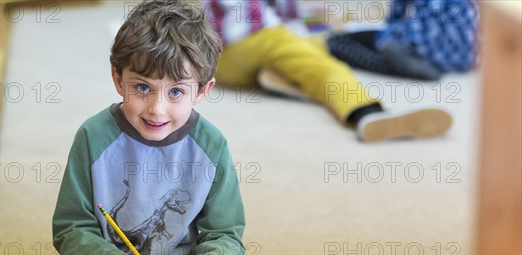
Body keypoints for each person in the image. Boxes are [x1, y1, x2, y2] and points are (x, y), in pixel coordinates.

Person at [12, 1, 274, 255]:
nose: (156, 107)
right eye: (141, 87)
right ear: (117, 79)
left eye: (176, 92)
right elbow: (70, 228)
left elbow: (225, 229)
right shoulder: (92, 137)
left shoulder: (212, 144)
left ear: (203, 91)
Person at [201, 0, 453, 142]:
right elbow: (277, 18)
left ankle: (279, 76)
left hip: (226, 60)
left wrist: (322, 21)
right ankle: (365, 112)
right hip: (247, 40)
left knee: (315, 42)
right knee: (323, 66)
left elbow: (288, 13)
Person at [327, 0, 479, 81]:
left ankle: (416, 68)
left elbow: (394, 19)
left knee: (336, 43)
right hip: (466, 57)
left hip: (423, 49)